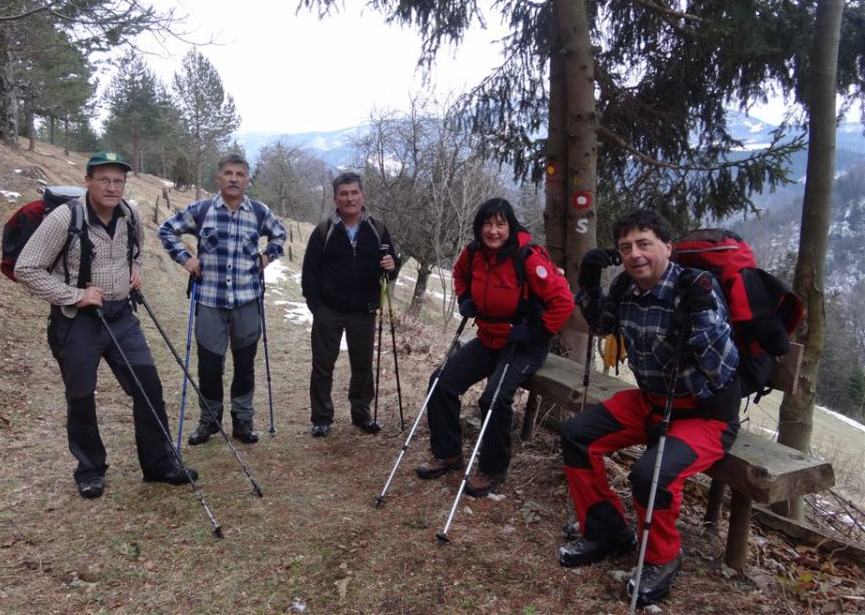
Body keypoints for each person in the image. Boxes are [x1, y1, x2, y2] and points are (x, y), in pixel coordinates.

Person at [560, 209, 741, 607]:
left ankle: (661, 557)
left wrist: (702, 317)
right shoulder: (626, 287)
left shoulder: (695, 289)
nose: (634, 254)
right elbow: (602, 325)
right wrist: (589, 281)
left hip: (705, 414)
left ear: (667, 248)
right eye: (626, 247)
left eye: (644, 244)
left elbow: (724, 369)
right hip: (650, 402)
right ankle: (605, 529)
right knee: (577, 436)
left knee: (649, 475)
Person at [15, 150, 198, 499]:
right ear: (88, 181)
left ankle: (158, 464)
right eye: (104, 179)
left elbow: (135, 251)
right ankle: (90, 469)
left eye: (118, 180)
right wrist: (74, 294)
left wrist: (136, 270)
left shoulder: (129, 214)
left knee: (148, 387)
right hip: (76, 322)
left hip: (122, 317)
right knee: (81, 396)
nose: (112, 187)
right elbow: (27, 269)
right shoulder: (64, 219)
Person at [416, 198, 574, 496]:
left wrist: (533, 331)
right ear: (479, 227)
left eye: (500, 224)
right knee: (441, 382)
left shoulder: (528, 257)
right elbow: (460, 274)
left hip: (525, 344)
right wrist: (465, 299)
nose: (493, 231)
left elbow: (564, 302)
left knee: (494, 397)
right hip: (490, 337)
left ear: (510, 226)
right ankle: (448, 453)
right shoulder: (474, 252)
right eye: (487, 224)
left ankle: (492, 468)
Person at [158, 153, 287, 446]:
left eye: (239, 174)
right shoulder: (202, 210)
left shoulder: (258, 212)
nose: (233, 179)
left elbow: (280, 235)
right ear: (218, 179)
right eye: (228, 173)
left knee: (245, 363)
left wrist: (267, 257)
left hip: (247, 300)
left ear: (247, 180)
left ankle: (243, 420)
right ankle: (209, 420)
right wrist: (186, 259)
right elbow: (166, 230)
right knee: (209, 364)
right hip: (209, 300)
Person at [301, 171, 400, 437]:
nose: (350, 198)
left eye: (354, 192)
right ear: (335, 198)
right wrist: (316, 307)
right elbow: (309, 272)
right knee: (323, 365)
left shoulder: (377, 229)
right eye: (344, 193)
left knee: (363, 365)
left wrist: (393, 266)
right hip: (329, 311)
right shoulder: (324, 230)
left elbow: (390, 266)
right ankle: (321, 418)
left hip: (364, 310)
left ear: (362, 195)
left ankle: (361, 413)